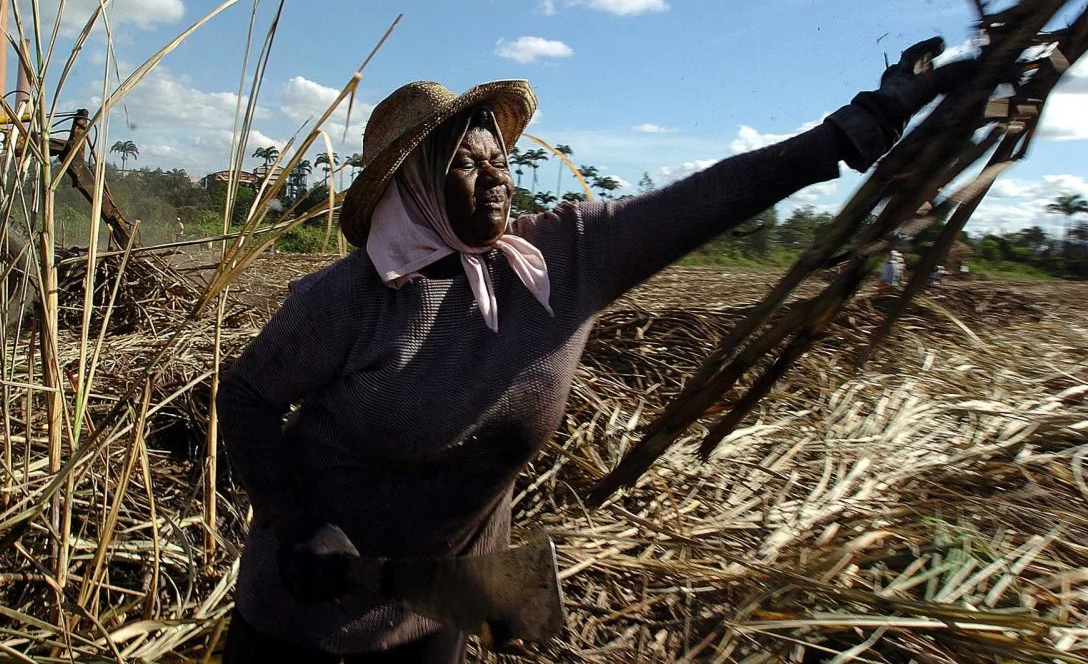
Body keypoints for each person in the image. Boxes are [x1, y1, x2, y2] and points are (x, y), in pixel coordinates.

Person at [217, 37, 974, 662]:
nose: (495, 179)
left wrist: (855, 129)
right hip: (307, 617)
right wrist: (291, 515)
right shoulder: (352, 297)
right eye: (465, 163)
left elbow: (708, 197)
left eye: (500, 161)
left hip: (440, 603)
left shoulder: (563, 263)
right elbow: (247, 394)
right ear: (412, 183)